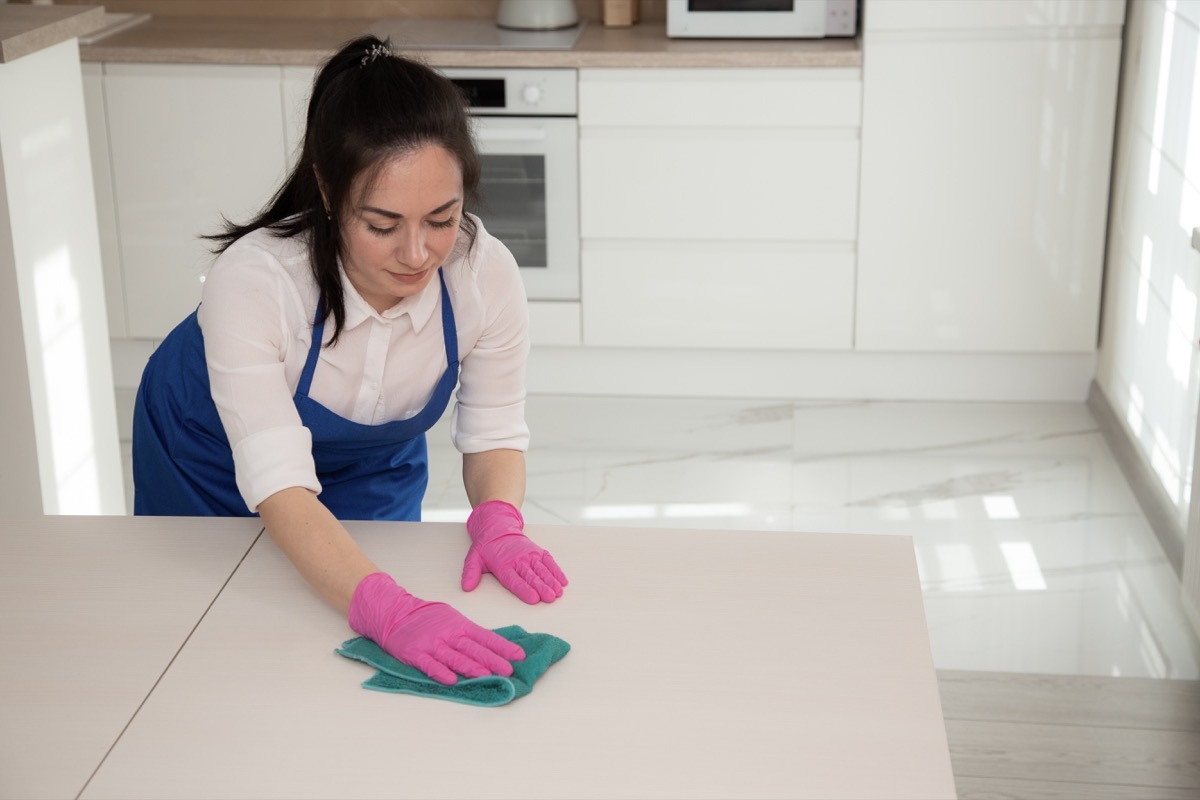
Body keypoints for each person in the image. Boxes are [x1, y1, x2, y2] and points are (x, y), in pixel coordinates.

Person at [132, 35, 567, 687]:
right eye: (383, 225)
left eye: (442, 219)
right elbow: (279, 484)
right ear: (329, 193)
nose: (418, 254)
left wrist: (498, 520)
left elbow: (494, 431)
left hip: (370, 464)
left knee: (337, 671)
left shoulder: (484, 274)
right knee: (212, 647)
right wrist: (389, 611)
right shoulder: (256, 281)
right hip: (207, 453)